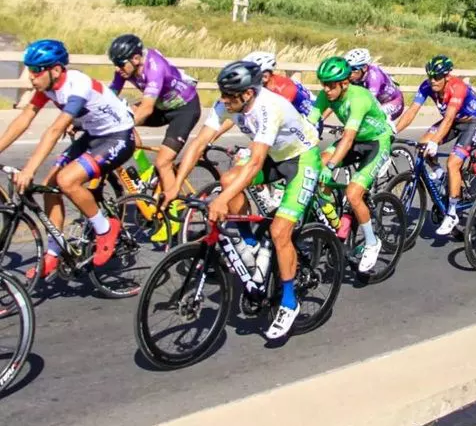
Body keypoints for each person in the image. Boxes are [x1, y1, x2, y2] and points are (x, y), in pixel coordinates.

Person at [164, 60, 323, 340]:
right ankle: (250, 243)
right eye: (222, 94)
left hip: (301, 159)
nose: (223, 101)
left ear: (247, 94)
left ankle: (289, 301)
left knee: (279, 232)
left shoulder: (267, 108)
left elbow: (254, 164)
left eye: (229, 96)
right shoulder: (228, 104)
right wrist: (174, 186)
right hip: (275, 157)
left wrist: (221, 201)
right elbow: (198, 144)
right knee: (227, 180)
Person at [0, 39, 133, 276]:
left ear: (57, 70)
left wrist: (30, 168)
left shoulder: (77, 85)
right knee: (50, 186)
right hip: (93, 135)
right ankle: (54, 252)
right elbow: (24, 119)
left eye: (36, 70)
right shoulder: (47, 86)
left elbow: (54, 130)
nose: (31, 76)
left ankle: (105, 228)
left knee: (67, 180)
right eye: (29, 69)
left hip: (118, 136)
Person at [308, 56, 393, 269]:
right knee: (314, 169)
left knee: (353, 194)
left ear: (345, 83)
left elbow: (347, 138)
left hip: (376, 142)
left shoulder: (358, 98)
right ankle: (336, 224)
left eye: (330, 85)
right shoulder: (326, 95)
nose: (326, 89)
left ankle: (372, 243)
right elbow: (308, 125)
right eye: (323, 84)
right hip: (355, 141)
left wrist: (331, 167)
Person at [394, 54, 476, 237]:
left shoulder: (457, 87)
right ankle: (438, 173)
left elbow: (450, 117)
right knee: (422, 144)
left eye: (437, 77)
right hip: (452, 122)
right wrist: (392, 132)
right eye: (430, 76)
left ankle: (451, 213)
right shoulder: (427, 86)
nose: (433, 81)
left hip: (472, 122)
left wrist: (436, 142)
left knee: (453, 163)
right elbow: (412, 111)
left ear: (447, 76)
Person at [108, 34, 201, 198]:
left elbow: (146, 108)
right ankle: (145, 172)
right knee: (118, 115)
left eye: (120, 64)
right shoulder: (125, 67)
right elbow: (111, 94)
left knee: (163, 162)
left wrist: (121, 126)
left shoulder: (154, 67)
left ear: (136, 58)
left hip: (184, 109)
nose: (117, 69)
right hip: (162, 105)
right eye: (114, 64)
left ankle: (175, 210)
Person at [344, 48, 405, 124]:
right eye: (347, 69)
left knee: (370, 120)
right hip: (378, 101)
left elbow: (367, 103)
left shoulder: (374, 77)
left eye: (353, 69)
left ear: (364, 68)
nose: (349, 73)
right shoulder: (355, 75)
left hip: (393, 102)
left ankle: (388, 132)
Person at [243, 50, 314, 116]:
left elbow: (280, 116)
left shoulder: (283, 87)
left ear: (265, 76)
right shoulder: (260, 86)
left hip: (309, 115)